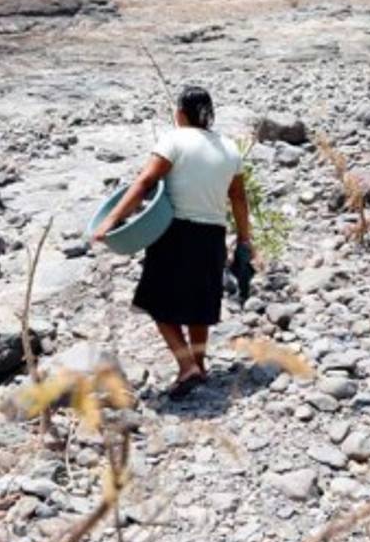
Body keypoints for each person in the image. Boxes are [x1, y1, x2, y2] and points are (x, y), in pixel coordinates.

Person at [92, 87, 251, 398]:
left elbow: (145, 182)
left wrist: (110, 221)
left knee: (156, 301)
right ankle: (200, 366)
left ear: (180, 113)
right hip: (213, 235)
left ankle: (186, 365)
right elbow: (238, 198)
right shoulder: (230, 148)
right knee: (200, 306)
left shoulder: (174, 140)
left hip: (175, 232)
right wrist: (244, 239)